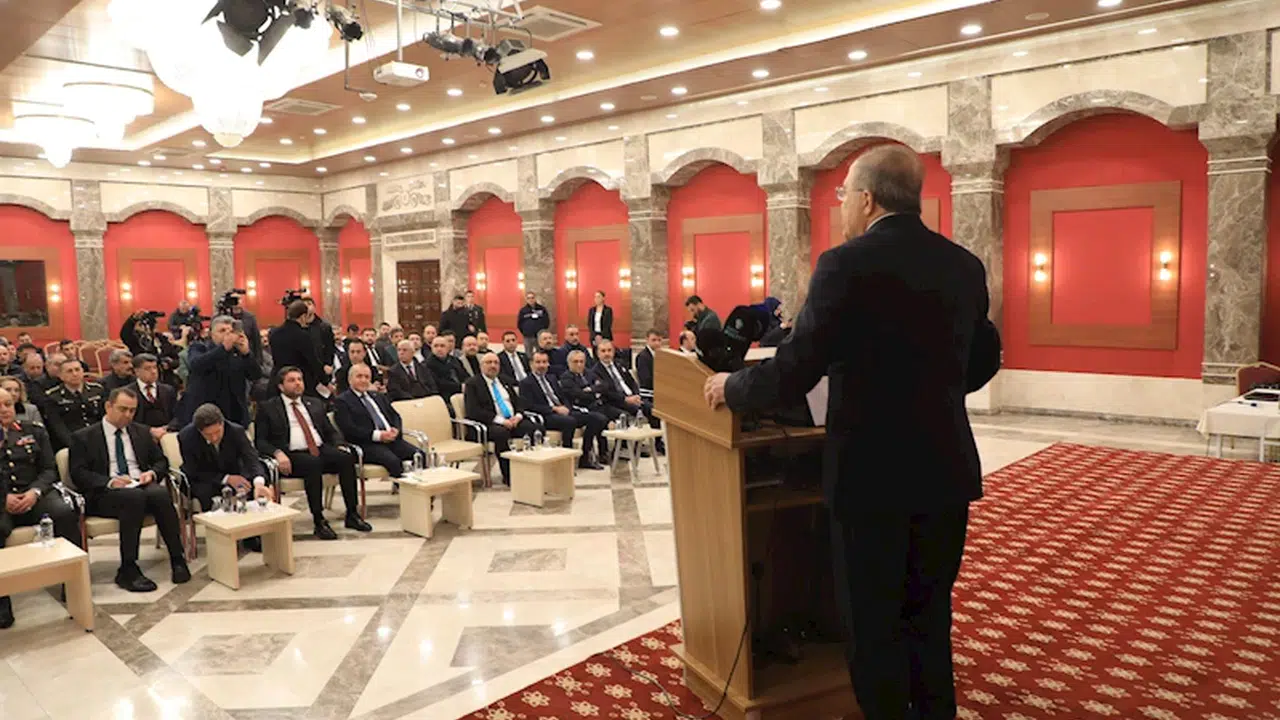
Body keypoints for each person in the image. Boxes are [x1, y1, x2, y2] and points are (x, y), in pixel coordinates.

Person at [703, 144, 1002, 720]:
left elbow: (796, 369)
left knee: (873, 626)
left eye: (843, 194)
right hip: (944, 471)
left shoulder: (844, 264)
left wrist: (731, 388)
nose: (841, 205)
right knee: (928, 618)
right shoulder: (963, 265)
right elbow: (986, 357)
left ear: (866, 199)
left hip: (871, 478)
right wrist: (934, 391)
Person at [69, 387, 191, 592]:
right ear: (108, 406)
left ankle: (177, 558)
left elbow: (161, 461)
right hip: (104, 493)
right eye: (123, 409)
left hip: (138, 485)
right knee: (133, 498)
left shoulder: (141, 432)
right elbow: (78, 473)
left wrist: (151, 473)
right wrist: (110, 481)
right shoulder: (84, 437)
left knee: (160, 494)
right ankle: (128, 568)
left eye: (132, 410)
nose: (128, 415)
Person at [255, 367, 372, 539]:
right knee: (313, 464)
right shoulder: (268, 408)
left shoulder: (314, 403)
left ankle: (352, 514)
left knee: (346, 458)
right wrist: (277, 452)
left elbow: (330, 431)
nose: (297, 383)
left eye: (299, 379)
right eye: (292, 380)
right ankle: (319, 520)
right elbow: (260, 441)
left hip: (319, 448)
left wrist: (338, 444)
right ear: (281, 386)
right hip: (291, 454)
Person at [0, 387, 80, 629]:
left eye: (7, 404)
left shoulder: (33, 431)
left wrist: (34, 492)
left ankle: (72, 583)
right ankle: (2, 600)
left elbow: (48, 469)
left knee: (64, 513)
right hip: (2, 502)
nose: (4, 410)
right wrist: (4, 498)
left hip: (34, 494)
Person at [177, 403, 272, 552]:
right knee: (207, 493)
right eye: (208, 435)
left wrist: (258, 483)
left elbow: (251, 459)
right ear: (199, 431)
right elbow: (193, 470)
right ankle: (219, 538)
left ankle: (250, 535)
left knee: (248, 485)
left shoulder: (236, 431)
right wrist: (226, 478)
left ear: (222, 423)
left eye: (217, 432)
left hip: (232, 471)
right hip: (203, 478)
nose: (214, 438)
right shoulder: (186, 436)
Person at [334, 364, 424, 478]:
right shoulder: (342, 401)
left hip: (391, 440)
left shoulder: (377, 396)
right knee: (394, 462)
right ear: (350, 379)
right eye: (359, 376)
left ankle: (423, 486)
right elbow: (349, 429)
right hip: (367, 444)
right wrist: (379, 435)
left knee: (420, 455)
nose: (363, 380)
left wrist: (396, 430)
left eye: (367, 377)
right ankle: (402, 487)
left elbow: (395, 416)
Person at [520, 350, 605, 470]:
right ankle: (566, 460)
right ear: (531, 364)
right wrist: (554, 408)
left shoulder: (552, 378)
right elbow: (529, 406)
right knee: (569, 422)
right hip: (546, 414)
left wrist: (566, 407)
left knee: (597, 418)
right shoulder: (525, 383)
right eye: (538, 362)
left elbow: (563, 396)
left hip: (564, 411)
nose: (541, 365)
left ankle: (585, 457)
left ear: (548, 364)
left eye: (544, 362)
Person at [464, 353, 535, 483]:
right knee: (501, 433)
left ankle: (532, 469)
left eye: (496, 363)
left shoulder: (505, 380)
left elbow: (519, 402)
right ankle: (508, 476)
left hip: (512, 420)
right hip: (488, 424)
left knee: (534, 428)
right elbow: (474, 411)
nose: (493, 366)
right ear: (481, 366)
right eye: (489, 363)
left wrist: (518, 416)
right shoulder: (472, 384)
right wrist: (502, 421)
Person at [178, 316, 260, 428]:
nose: (227, 334)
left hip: (235, 413)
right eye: (222, 331)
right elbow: (196, 365)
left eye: (230, 331)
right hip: (207, 411)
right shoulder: (199, 347)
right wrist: (223, 348)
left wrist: (246, 353)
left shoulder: (238, 352)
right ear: (212, 334)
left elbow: (255, 375)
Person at [593, 340, 658, 429]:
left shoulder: (620, 364)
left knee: (653, 409)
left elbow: (632, 382)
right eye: (603, 351)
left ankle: (657, 437)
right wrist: (625, 399)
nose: (607, 354)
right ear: (598, 354)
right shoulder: (595, 371)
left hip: (633, 398)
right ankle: (632, 437)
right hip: (615, 401)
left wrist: (637, 395)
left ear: (613, 351)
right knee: (632, 411)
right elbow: (607, 392)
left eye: (609, 350)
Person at [44, 360, 106, 451]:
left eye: (77, 370)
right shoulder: (53, 396)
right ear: (61, 376)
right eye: (69, 371)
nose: (75, 374)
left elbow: (104, 416)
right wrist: (74, 445)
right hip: (72, 441)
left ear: (83, 371)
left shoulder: (97, 389)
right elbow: (57, 426)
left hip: (99, 437)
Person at [268, 301, 325, 396]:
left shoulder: (274, 333)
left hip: (279, 380)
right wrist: (325, 381)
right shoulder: (303, 335)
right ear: (303, 316)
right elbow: (312, 361)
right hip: (299, 381)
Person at [132, 353, 178, 438]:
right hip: (139, 436)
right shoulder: (128, 392)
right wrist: (149, 430)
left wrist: (167, 428)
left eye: (155, 367)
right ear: (136, 371)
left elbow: (178, 415)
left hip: (166, 434)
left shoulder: (168, 390)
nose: (153, 372)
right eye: (147, 368)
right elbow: (127, 420)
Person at [425, 335, 463, 401]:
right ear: (431, 348)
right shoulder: (427, 364)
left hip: (461, 393)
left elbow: (465, 375)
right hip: (444, 396)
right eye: (436, 346)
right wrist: (460, 387)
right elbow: (438, 383)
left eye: (442, 346)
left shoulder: (455, 360)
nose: (439, 349)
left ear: (448, 348)